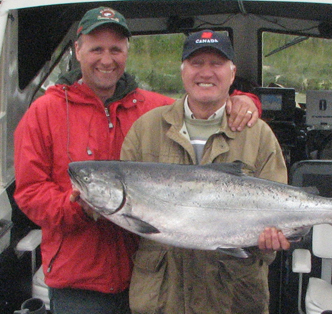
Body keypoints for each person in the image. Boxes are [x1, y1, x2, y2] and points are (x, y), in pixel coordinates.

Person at [13, 7, 262, 314]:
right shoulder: (43, 112)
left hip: (148, 279)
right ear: (77, 51)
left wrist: (245, 101)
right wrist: (75, 208)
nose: (107, 59)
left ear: (127, 52)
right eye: (96, 49)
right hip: (79, 283)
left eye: (116, 49)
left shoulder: (152, 107)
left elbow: (201, 102)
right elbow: (29, 194)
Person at [120, 29, 290, 314]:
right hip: (162, 296)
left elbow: (278, 206)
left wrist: (269, 241)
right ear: (183, 70)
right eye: (197, 63)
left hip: (232, 297)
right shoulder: (146, 129)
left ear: (232, 73)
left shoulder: (258, 134)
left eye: (217, 63)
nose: (206, 72)